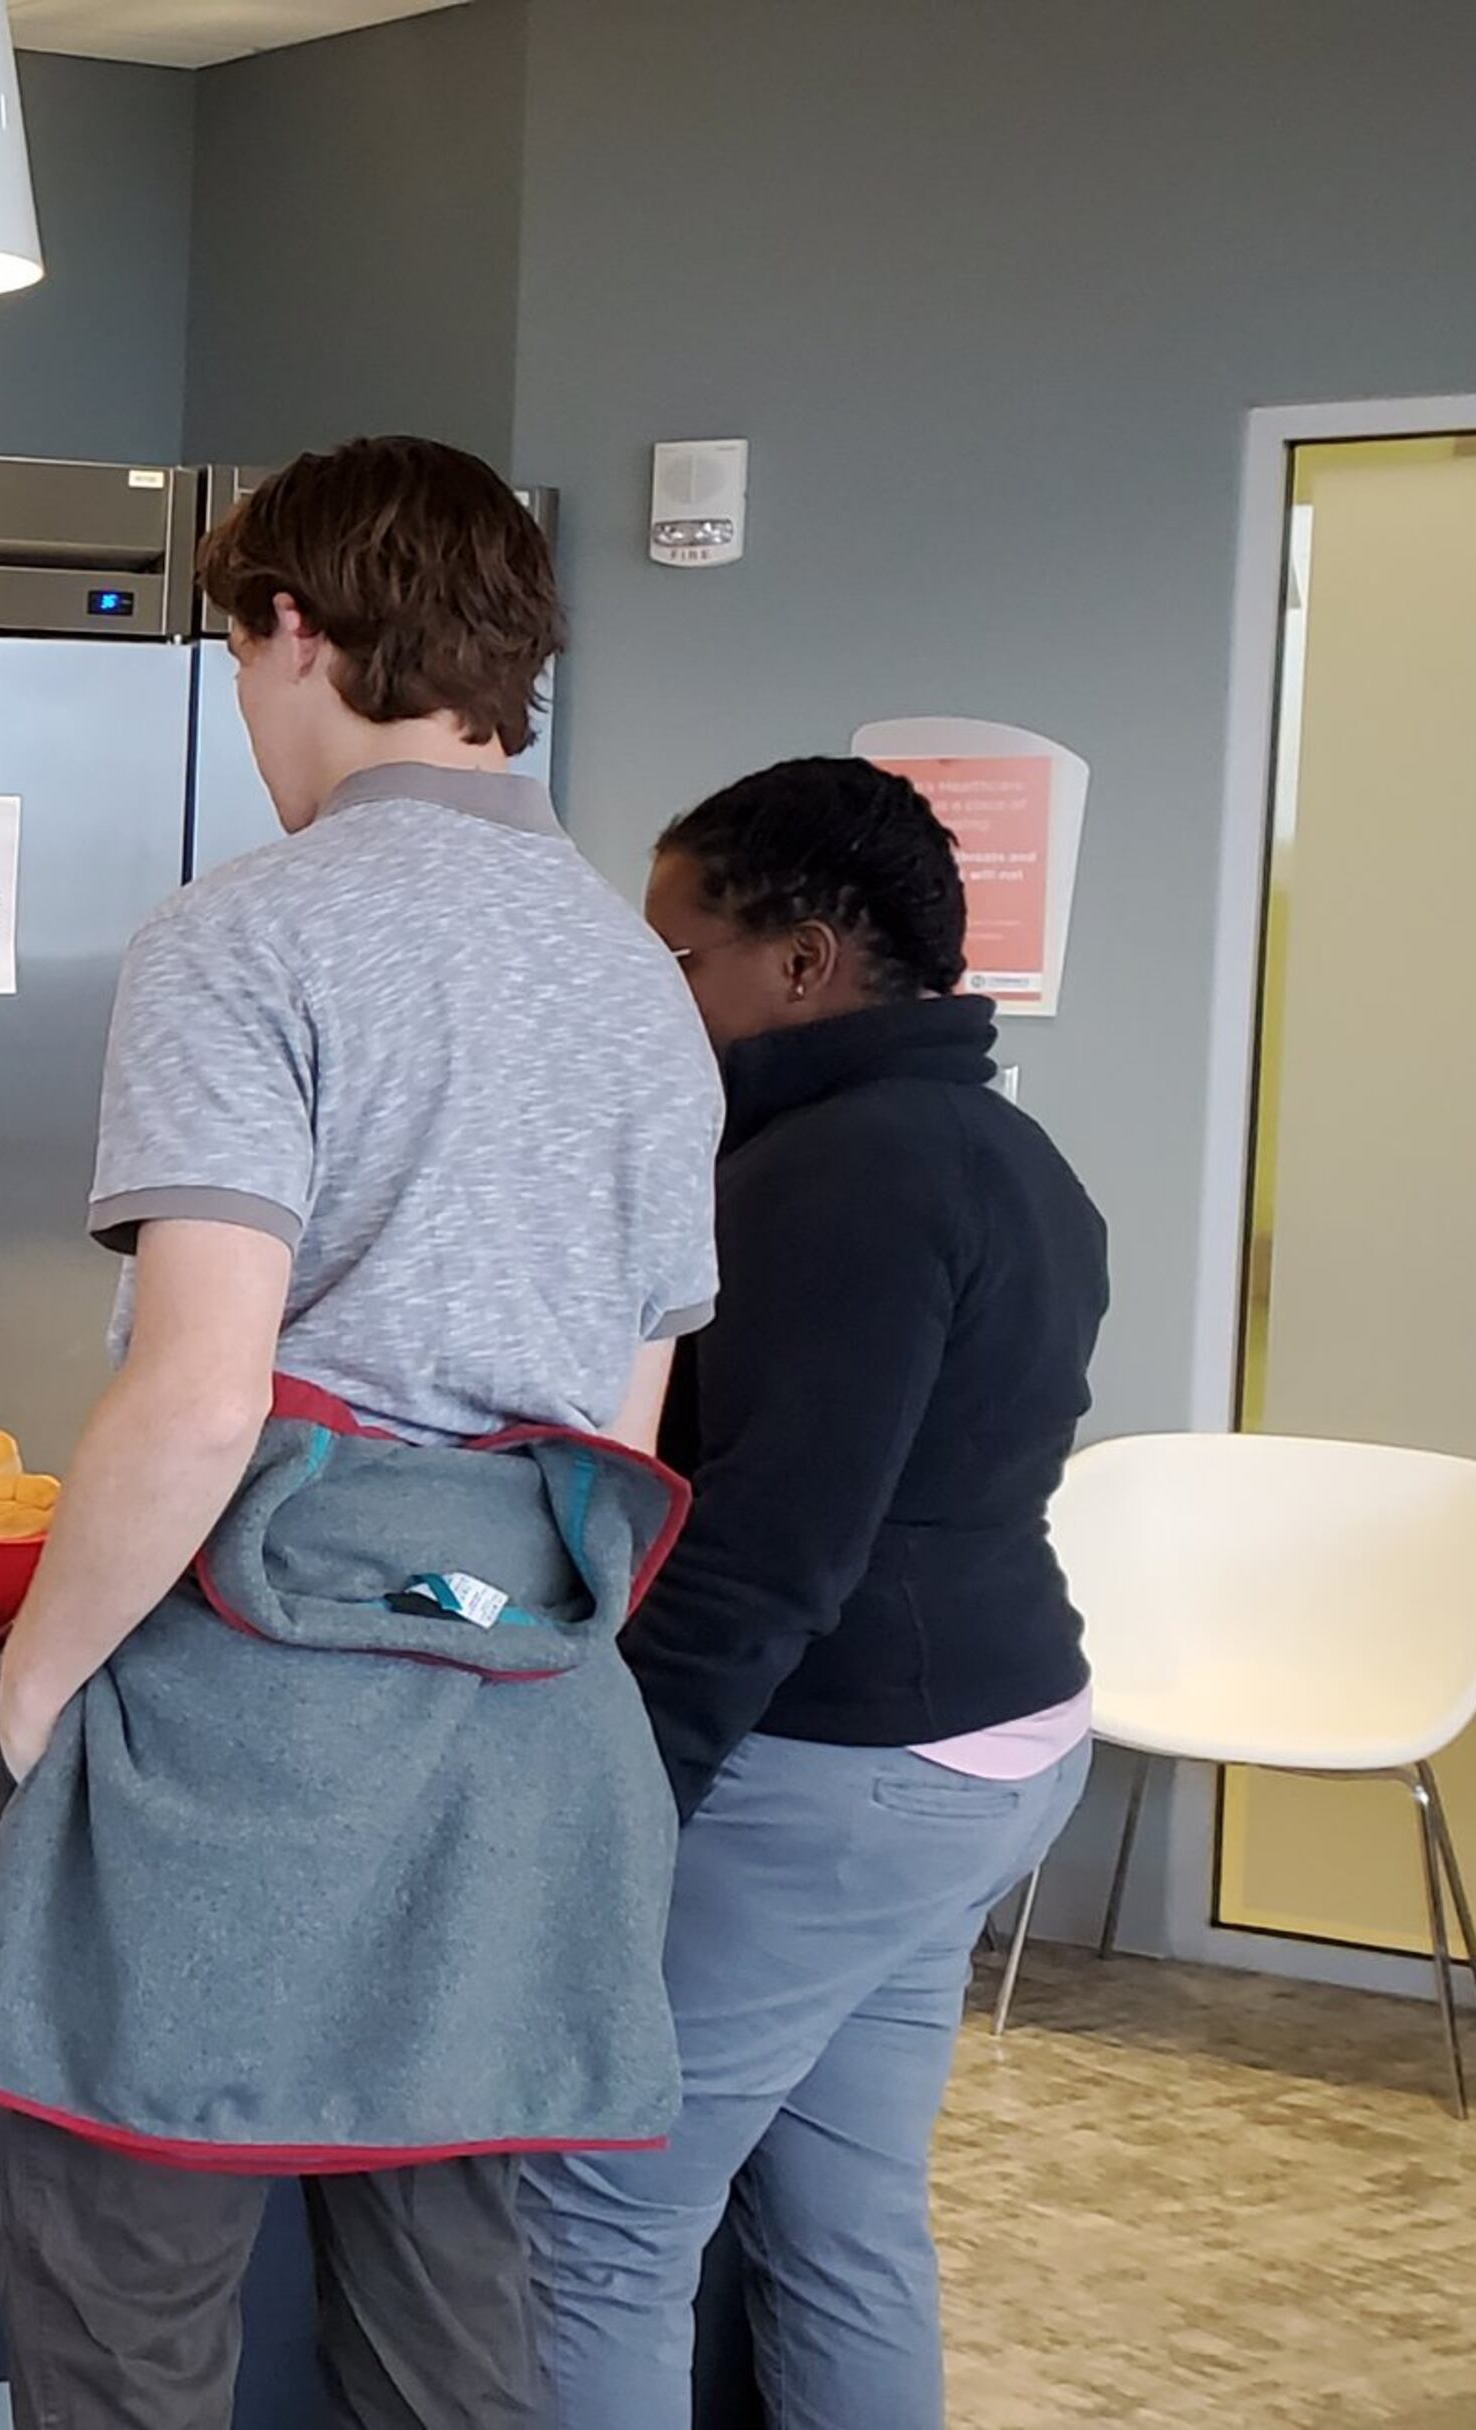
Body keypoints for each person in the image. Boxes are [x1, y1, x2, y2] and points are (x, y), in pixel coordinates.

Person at [0, 436, 724, 2430]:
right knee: (454, 2338)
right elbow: (620, 1432)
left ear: (296, 630)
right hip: (523, 1739)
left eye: (234, 656)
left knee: (128, 2329)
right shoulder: (642, 986)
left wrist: (32, 1699)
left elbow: (201, 1395)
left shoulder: (249, 932)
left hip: (247, 1743)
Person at [525, 759, 1109, 2430]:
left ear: (800, 965)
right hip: (995, 1745)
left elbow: (773, 1547)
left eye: (678, 956)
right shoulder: (1010, 1152)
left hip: (836, 1769)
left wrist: (616, 1797)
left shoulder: (835, 1176)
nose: (660, 996)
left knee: (598, 2211)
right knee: (843, 2215)